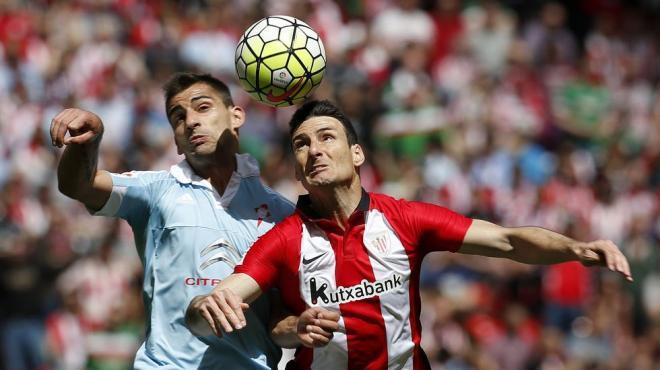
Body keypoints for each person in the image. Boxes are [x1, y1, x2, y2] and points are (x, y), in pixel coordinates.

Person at [185, 99, 633, 370]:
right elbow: (218, 308)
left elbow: (508, 240)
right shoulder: (283, 241)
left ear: (357, 153)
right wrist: (206, 306)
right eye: (301, 145)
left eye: (326, 137)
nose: (314, 150)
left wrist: (575, 248)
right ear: (298, 172)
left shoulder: (406, 220)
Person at [50, 72, 297, 369]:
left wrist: (300, 327)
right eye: (178, 117)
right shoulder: (154, 191)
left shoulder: (282, 213)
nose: (190, 121)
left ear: (236, 117)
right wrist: (88, 142)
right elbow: (78, 185)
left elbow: (280, 319)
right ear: (177, 142)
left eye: (203, 108)